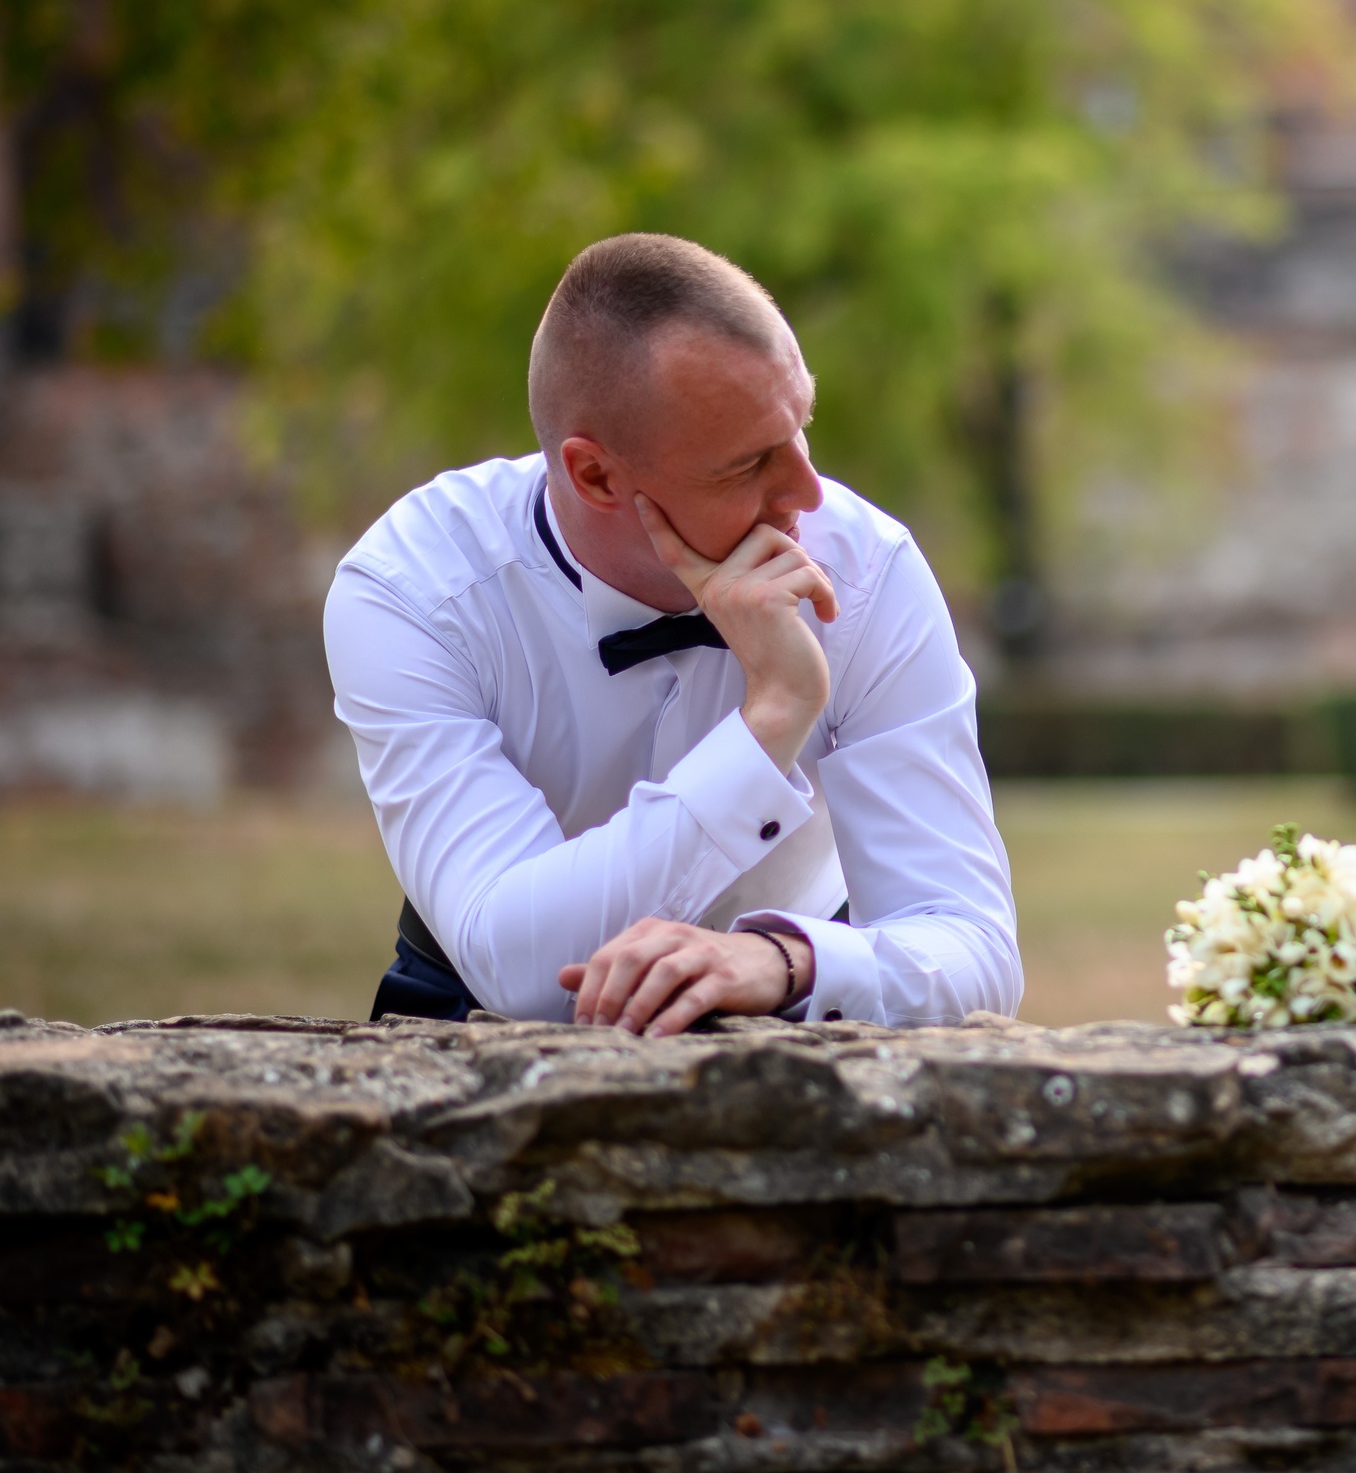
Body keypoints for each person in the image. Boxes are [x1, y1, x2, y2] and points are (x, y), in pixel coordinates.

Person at [327, 233, 1021, 1032]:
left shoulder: (867, 572)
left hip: (794, 1004)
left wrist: (783, 960)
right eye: (747, 464)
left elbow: (972, 948)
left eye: (801, 427)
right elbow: (517, 969)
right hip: (468, 1017)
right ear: (596, 475)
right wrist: (772, 718)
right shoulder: (414, 590)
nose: (808, 492)